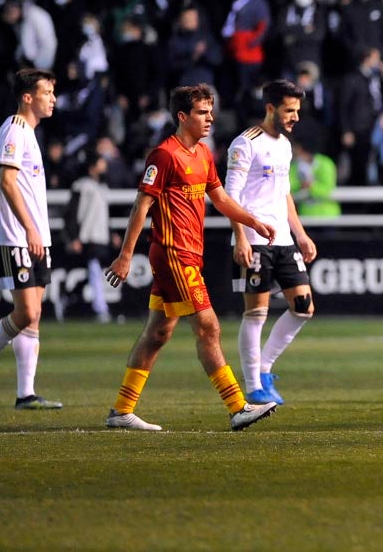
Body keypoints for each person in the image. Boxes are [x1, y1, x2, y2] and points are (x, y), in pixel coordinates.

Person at [103, 84, 279, 432]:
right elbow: (142, 206)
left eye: (211, 111)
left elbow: (222, 200)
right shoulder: (164, 155)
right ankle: (237, 406)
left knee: (158, 333)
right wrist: (125, 256)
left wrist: (252, 220)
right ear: (183, 116)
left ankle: (122, 410)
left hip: (189, 254)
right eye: (202, 112)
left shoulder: (202, 155)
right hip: (173, 254)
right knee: (208, 326)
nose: (210, 118)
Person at [226, 80, 318, 406]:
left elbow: (284, 194)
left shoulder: (285, 145)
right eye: (289, 111)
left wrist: (301, 234)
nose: (295, 117)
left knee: (303, 307)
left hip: (282, 238)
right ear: (270, 108)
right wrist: (240, 237)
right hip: (254, 238)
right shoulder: (245, 143)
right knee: (256, 314)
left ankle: (264, 369)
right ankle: (252, 386)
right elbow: (230, 198)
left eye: (297, 111)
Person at [0, 69, 62, 409]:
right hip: (17, 237)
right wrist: (29, 229)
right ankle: (25, 393)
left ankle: (26, 394)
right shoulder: (14, 129)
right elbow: (6, 181)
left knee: (34, 316)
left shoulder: (30, 134)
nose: (53, 98)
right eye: (47, 92)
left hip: (36, 239)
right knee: (26, 312)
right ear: (28, 97)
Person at [65, 151, 117, 324]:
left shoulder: (102, 187)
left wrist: (111, 234)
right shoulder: (82, 186)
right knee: (94, 270)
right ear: (93, 166)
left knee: (93, 272)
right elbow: (71, 214)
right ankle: (100, 308)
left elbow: (103, 215)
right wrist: (74, 237)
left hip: (101, 235)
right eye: (102, 162)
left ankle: (68, 299)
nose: (105, 166)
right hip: (87, 236)